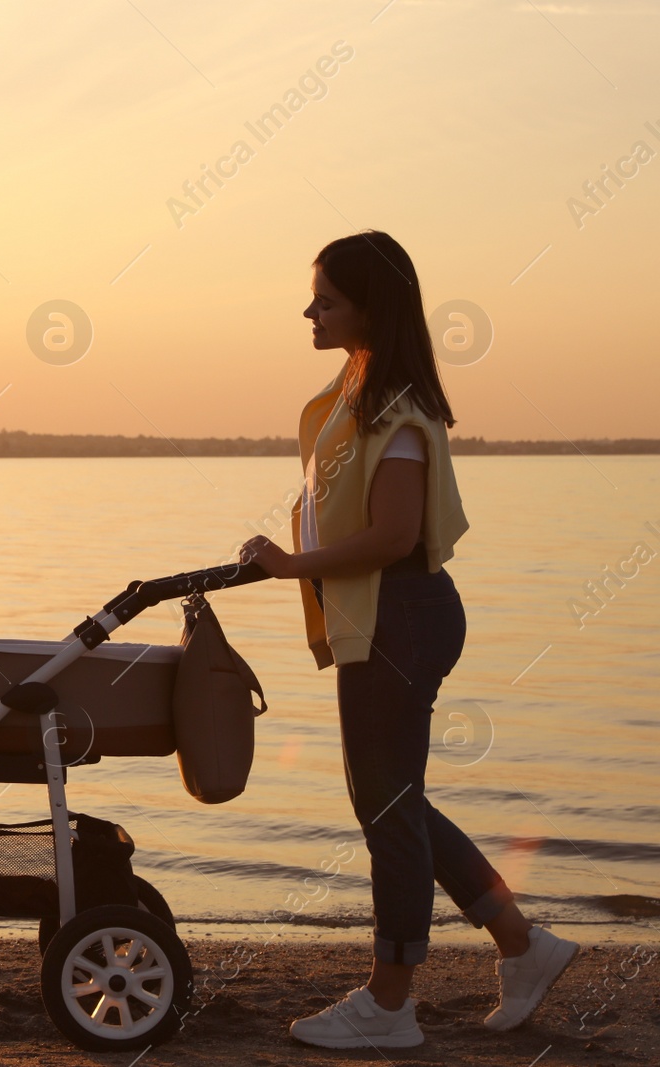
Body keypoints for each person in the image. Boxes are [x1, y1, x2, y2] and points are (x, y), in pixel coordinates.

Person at [238, 231, 579, 1050]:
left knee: (385, 806)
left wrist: (292, 566)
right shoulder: (356, 397)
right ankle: (525, 946)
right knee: (398, 801)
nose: (310, 310)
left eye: (327, 298)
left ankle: (390, 1002)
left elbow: (393, 534)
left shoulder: (398, 410)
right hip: (385, 616)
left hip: (403, 613)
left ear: (371, 307)